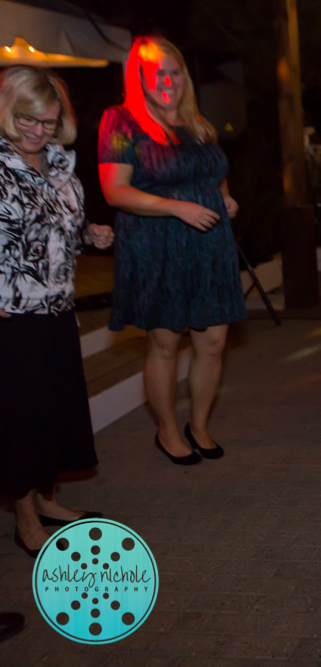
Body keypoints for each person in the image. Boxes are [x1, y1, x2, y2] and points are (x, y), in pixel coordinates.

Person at [98, 36, 246, 465]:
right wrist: (177, 208)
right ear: (140, 79)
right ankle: (166, 429)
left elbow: (213, 174)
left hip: (208, 244)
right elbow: (114, 191)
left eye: (175, 72)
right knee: (164, 344)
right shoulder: (121, 122)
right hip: (155, 244)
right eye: (156, 73)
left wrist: (226, 196)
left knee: (213, 343)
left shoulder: (197, 122)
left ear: (185, 76)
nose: (167, 81)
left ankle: (198, 424)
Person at [0, 66, 112, 557]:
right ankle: (26, 523)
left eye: (47, 122)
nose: (37, 131)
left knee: (51, 413)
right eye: (26, 119)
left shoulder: (61, 164)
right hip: (12, 315)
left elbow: (60, 231)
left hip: (58, 307)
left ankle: (47, 501)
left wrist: (90, 234)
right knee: (20, 421)